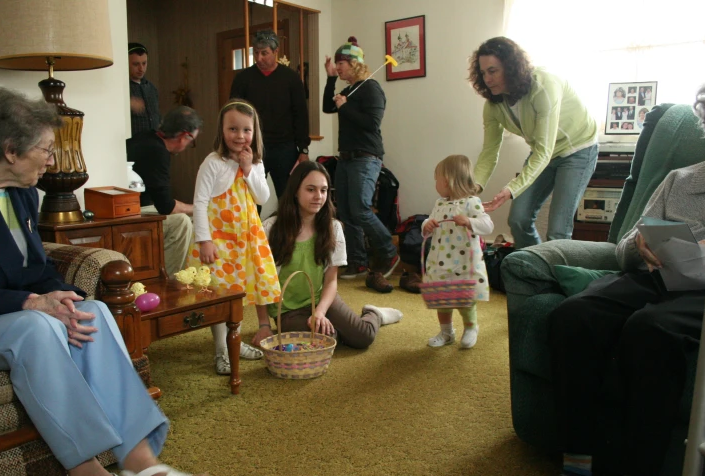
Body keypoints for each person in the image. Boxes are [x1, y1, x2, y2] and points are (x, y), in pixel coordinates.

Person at [0, 88, 211, 476]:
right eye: (45, 150)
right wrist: (31, 302)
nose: (51, 160)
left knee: (95, 312)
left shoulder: (23, 191)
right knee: (36, 327)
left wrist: (63, 299)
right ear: (11, 151)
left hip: (14, 311)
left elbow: (35, 268)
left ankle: (142, 464)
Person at [516, 78, 705, 476]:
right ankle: (576, 472)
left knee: (649, 331)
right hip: (657, 277)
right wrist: (641, 247)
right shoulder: (679, 180)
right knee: (574, 315)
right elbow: (627, 244)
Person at [251, 161, 403, 348]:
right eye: (311, 189)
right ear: (295, 191)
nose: (318, 196)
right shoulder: (270, 228)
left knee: (364, 337)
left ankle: (374, 314)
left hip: (323, 300)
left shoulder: (333, 228)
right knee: (327, 340)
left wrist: (320, 312)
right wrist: (264, 325)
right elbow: (260, 281)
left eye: (323, 191)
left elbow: (331, 280)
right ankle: (334, 330)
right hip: (288, 311)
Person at [468, 37, 598, 249]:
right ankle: (534, 270)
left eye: (493, 71)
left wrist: (511, 188)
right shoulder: (493, 105)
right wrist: (473, 188)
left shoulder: (544, 86)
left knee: (557, 231)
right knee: (518, 220)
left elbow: (544, 151)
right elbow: (489, 151)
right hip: (543, 152)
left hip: (578, 149)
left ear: (510, 67)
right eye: (483, 73)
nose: (487, 79)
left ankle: (555, 280)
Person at [187, 99, 282, 375]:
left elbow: (262, 197)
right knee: (220, 294)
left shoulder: (255, 162)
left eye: (246, 130)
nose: (240, 136)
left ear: (254, 133)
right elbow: (200, 202)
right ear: (222, 130)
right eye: (233, 129)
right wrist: (204, 240)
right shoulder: (212, 163)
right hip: (219, 243)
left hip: (245, 242)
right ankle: (221, 349)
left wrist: (249, 168)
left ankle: (235, 342)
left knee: (238, 295)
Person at [323, 36, 399, 293]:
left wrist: (345, 108)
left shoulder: (371, 88)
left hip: (366, 157)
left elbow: (371, 124)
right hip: (346, 158)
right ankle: (357, 261)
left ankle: (389, 253)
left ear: (354, 63)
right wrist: (331, 78)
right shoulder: (348, 90)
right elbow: (326, 107)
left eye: (340, 63)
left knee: (361, 208)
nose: (338, 67)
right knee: (346, 210)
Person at [421, 155, 494, 349]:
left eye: (437, 178)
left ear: (448, 180)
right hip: (441, 260)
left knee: (464, 298)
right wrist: (426, 225)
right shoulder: (439, 203)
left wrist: (470, 221)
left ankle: (471, 327)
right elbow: (428, 220)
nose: (435, 183)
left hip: (465, 262)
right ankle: (446, 332)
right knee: (442, 299)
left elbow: (488, 225)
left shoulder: (472, 203)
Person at [230, 30, 310, 202]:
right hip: (253, 147)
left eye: (264, 53)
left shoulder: (291, 78)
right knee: (250, 198)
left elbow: (301, 115)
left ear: (275, 52)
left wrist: (303, 149)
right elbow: (233, 114)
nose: (259, 58)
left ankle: (288, 230)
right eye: (256, 53)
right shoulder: (243, 78)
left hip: (285, 148)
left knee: (288, 198)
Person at [126, 106, 199, 276]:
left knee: (194, 220)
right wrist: (197, 207)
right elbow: (167, 206)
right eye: (192, 141)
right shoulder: (157, 151)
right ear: (184, 136)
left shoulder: (145, 137)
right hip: (134, 211)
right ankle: (171, 281)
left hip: (136, 208)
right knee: (182, 222)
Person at [128, 43, 161, 135]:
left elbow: (157, 116)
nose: (141, 68)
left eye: (144, 63)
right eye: (136, 64)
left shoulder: (151, 88)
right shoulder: (121, 87)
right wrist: (126, 103)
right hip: (133, 144)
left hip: (153, 141)